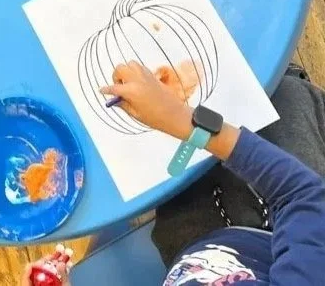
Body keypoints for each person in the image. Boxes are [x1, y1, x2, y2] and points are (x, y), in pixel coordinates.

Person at [20, 62, 325, 285]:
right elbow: (299, 193)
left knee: (163, 171)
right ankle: (283, 74)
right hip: (277, 233)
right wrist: (181, 120)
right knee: (284, 97)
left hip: (191, 254)